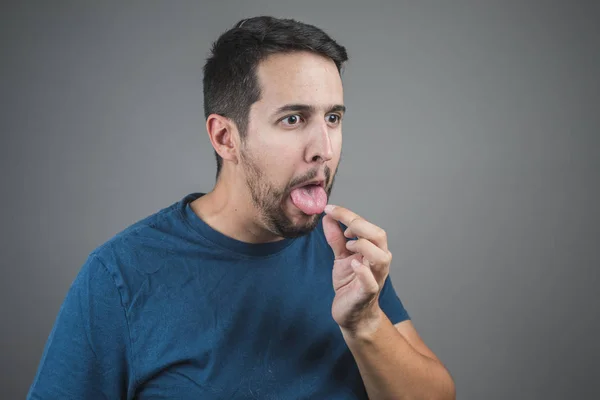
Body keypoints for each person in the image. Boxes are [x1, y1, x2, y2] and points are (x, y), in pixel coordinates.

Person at [27, 16, 455, 399]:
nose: (323, 149)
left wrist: (365, 325)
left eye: (333, 118)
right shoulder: (119, 275)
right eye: (293, 119)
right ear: (225, 138)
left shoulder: (345, 253)